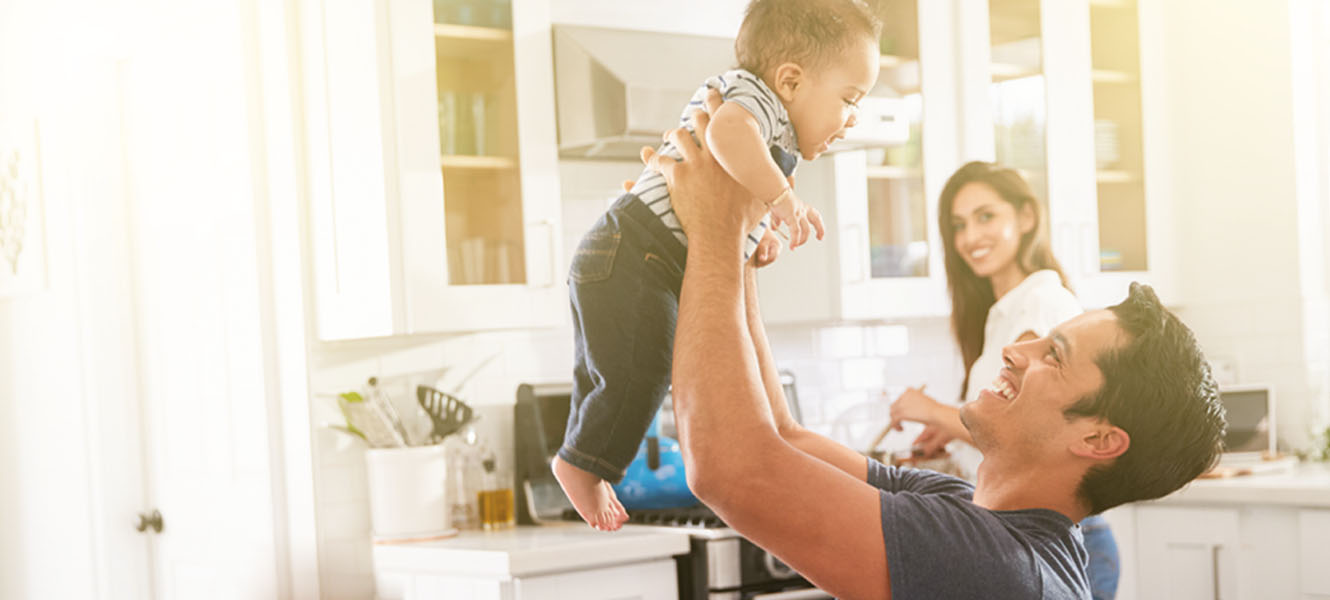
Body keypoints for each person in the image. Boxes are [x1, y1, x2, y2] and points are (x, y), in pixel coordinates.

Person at [648, 93, 1226, 599]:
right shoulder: (972, 509)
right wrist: (741, 245)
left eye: (1053, 355)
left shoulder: (994, 565)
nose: (1015, 353)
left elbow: (732, 468)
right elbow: (783, 436)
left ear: (1098, 439)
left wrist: (714, 228)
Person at [554, 0, 882, 531]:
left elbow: (723, 202)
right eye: (849, 99)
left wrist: (758, 236)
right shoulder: (752, 99)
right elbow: (725, 136)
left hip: (627, 254)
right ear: (791, 81)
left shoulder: (771, 129)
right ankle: (583, 464)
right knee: (642, 369)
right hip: (635, 252)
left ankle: (581, 456)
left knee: (608, 374)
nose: (852, 119)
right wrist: (781, 200)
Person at [883, 161, 1121, 598]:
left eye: (986, 216)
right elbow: (1008, 428)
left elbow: (1029, 434)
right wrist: (949, 431)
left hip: (1064, 539)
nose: (970, 237)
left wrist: (931, 409)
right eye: (959, 225)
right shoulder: (1002, 314)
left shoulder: (1042, 303)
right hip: (1021, 534)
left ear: (1025, 218)